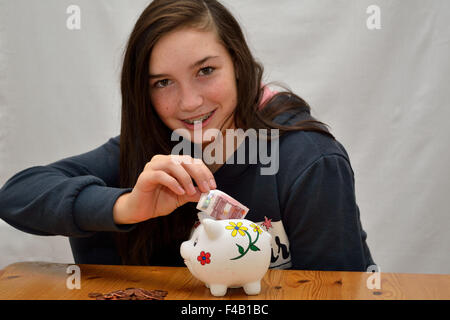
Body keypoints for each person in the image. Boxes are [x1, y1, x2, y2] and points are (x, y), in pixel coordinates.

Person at [0, 0, 374, 271]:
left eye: (206, 70)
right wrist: (129, 206)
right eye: (163, 82)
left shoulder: (308, 160)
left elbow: (336, 291)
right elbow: (17, 195)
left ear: (239, 65)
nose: (190, 102)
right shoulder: (149, 154)